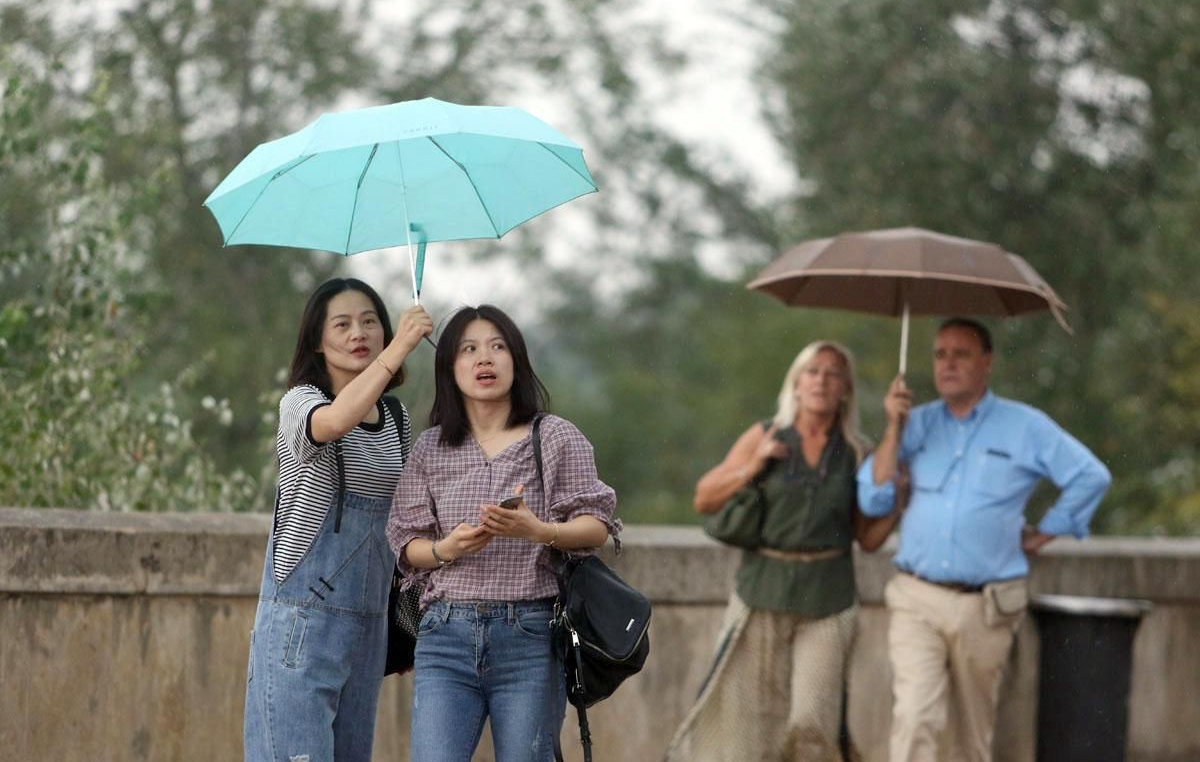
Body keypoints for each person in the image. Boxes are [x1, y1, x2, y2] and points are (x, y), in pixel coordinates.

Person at [857, 317, 1112, 762]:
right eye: (940, 354)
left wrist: (1047, 529)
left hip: (987, 605)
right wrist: (893, 428)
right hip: (917, 597)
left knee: (970, 738)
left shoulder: (1025, 425)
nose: (947, 364)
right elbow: (874, 499)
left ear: (986, 362)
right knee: (915, 716)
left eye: (961, 354)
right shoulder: (913, 425)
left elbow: (1091, 476)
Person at [386, 304, 619, 762]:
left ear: (517, 360)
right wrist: (443, 549)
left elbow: (597, 526)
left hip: (529, 634)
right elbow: (406, 543)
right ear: (450, 367)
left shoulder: (553, 437)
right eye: (468, 349)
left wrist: (538, 530)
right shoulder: (431, 447)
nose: (484, 359)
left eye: (497, 347)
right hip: (444, 634)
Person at [665, 340, 900, 762]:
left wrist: (900, 497)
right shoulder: (766, 434)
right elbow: (705, 498)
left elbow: (867, 538)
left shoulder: (855, 451)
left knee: (812, 721)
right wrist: (753, 465)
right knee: (749, 722)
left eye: (832, 374)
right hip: (761, 592)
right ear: (795, 383)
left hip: (828, 597)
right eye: (812, 371)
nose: (821, 381)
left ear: (845, 388)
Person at [243, 278, 433, 762]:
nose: (359, 333)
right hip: (303, 624)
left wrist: (403, 622)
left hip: (368, 624)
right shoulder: (301, 403)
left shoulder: (394, 417)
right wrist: (399, 349)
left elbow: (402, 522)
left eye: (370, 321)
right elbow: (331, 424)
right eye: (343, 324)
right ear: (316, 341)